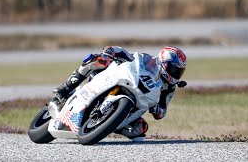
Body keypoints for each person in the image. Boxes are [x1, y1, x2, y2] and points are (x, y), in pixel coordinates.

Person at [52, 46, 187, 141]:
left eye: (178, 71)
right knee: (96, 60)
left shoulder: (170, 87)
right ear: (163, 62)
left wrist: (157, 108)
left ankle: (110, 125)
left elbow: (162, 112)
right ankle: (65, 88)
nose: (175, 73)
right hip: (119, 79)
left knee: (140, 130)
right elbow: (127, 54)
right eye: (173, 68)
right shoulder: (147, 59)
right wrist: (111, 51)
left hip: (135, 106)